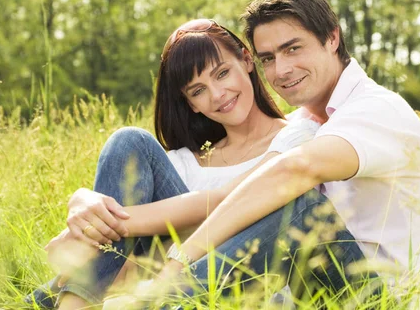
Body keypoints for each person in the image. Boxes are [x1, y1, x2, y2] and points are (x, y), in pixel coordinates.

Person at [150, 0, 420, 304]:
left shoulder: (376, 109)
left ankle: (159, 303)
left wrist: (179, 261)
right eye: (268, 58)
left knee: (300, 209)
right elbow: (235, 194)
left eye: (293, 48)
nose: (281, 70)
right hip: (323, 296)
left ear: (332, 38)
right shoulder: (304, 124)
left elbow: (296, 170)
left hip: (395, 302)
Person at [27, 19, 323, 309]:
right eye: (198, 90)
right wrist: (82, 201)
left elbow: (224, 201)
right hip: (170, 292)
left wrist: (93, 230)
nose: (217, 95)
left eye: (221, 74)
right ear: (191, 103)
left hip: (243, 284)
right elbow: (131, 266)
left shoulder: (297, 138)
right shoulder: (180, 162)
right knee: (129, 142)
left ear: (246, 60)